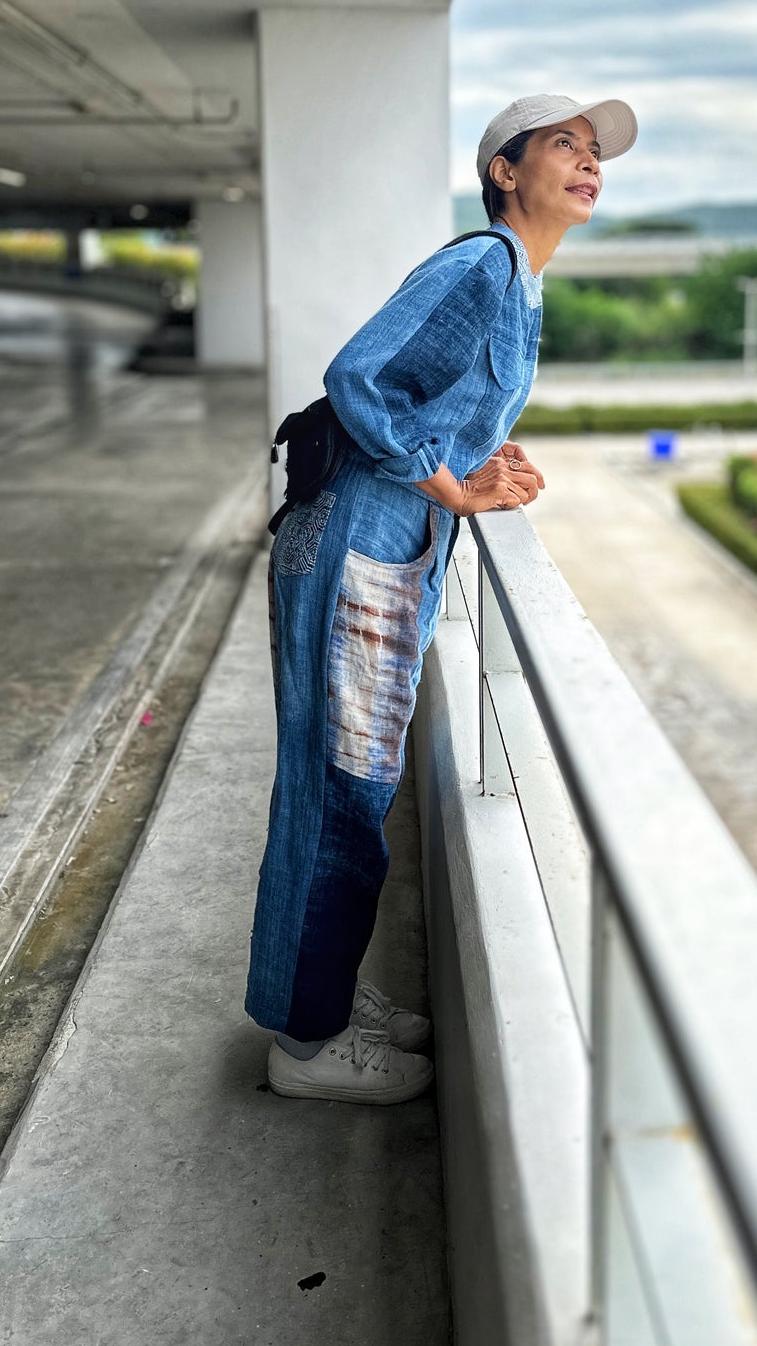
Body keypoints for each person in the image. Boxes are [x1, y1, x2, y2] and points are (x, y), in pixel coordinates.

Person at [245, 92, 638, 1102]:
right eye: (565, 145)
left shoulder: (521, 285)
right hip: (356, 545)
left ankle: (317, 997)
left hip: (389, 549)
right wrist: (450, 481)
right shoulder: (482, 263)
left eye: (596, 153)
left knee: (350, 781)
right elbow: (358, 377)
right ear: (505, 171)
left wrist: (479, 464)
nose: (588, 163)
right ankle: (306, 1044)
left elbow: (435, 407)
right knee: (340, 786)